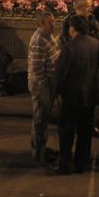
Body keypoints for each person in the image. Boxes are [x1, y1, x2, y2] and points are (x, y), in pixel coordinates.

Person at [54, 15, 99, 175]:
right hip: (90, 95)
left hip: (71, 95)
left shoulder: (70, 46)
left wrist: (57, 92)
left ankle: (65, 163)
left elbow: (61, 73)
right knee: (85, 132)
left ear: (72, 28)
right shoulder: (96, 44)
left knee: (67, 132)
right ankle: (82, 163)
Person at [26, 12, 59, 166]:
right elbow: (37, 68)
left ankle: (42, 148)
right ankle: (38, 151)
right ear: (41, 24)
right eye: (50, 23)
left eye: (53, 22)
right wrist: (46, 88)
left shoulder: (47, 36)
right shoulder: (39, 39)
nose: (53, 25)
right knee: (40, 118)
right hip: (41, 86)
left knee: (43, 118)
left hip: (47, 84)